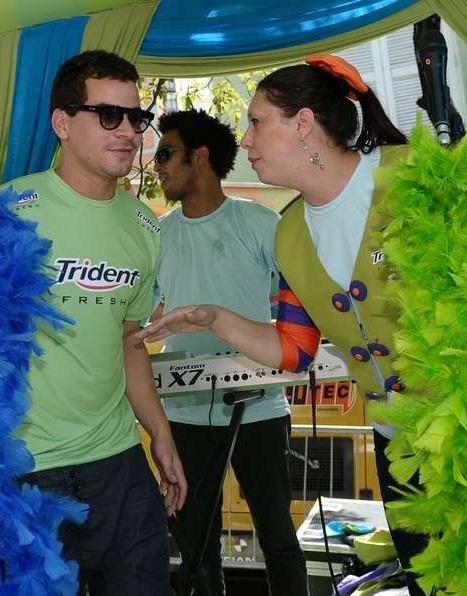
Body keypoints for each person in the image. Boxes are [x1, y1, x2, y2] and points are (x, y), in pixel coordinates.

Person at [135, 55, 467, 596]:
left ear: (304, 123)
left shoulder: (414, 174)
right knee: (433, 584)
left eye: (258, 120)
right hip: (398, 438)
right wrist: (216, 317)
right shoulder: (288, 233)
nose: (247, 138)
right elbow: (293, 349)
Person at [4, 50, 187, 595]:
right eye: (109, 116)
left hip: (118, 463)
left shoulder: (142, 227)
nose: (128, 131)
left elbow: (129, 343)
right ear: (63, 122)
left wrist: (160, 435)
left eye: (137, 118)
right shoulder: (9, 211)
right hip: (28, 471)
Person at [151, 108, 307, 595]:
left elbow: (304, 296)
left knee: (278, 539)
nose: (156, 166)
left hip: (259, 407)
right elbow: (139, 315)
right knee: (195, 548)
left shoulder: (258, 220)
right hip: (183, 414)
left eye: (164, 153)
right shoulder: (156, 235)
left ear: (200, 157)